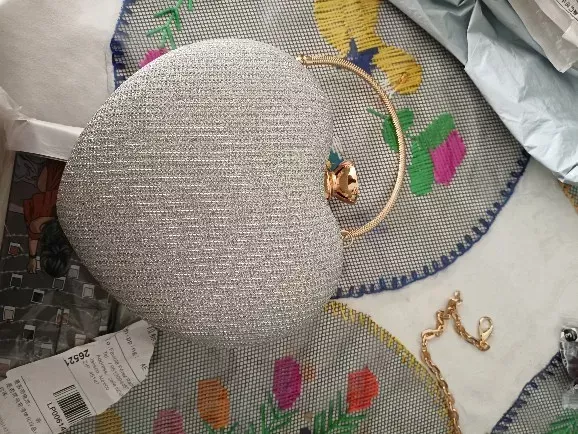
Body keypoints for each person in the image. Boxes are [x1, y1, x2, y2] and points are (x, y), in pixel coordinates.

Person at [23, 159, 71, 277]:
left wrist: (32, 257)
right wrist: (32, 258)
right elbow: (33, 235)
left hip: (76, 177)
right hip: (58, 167)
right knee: (41, 186)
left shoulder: (74, 237)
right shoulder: (38, 223)